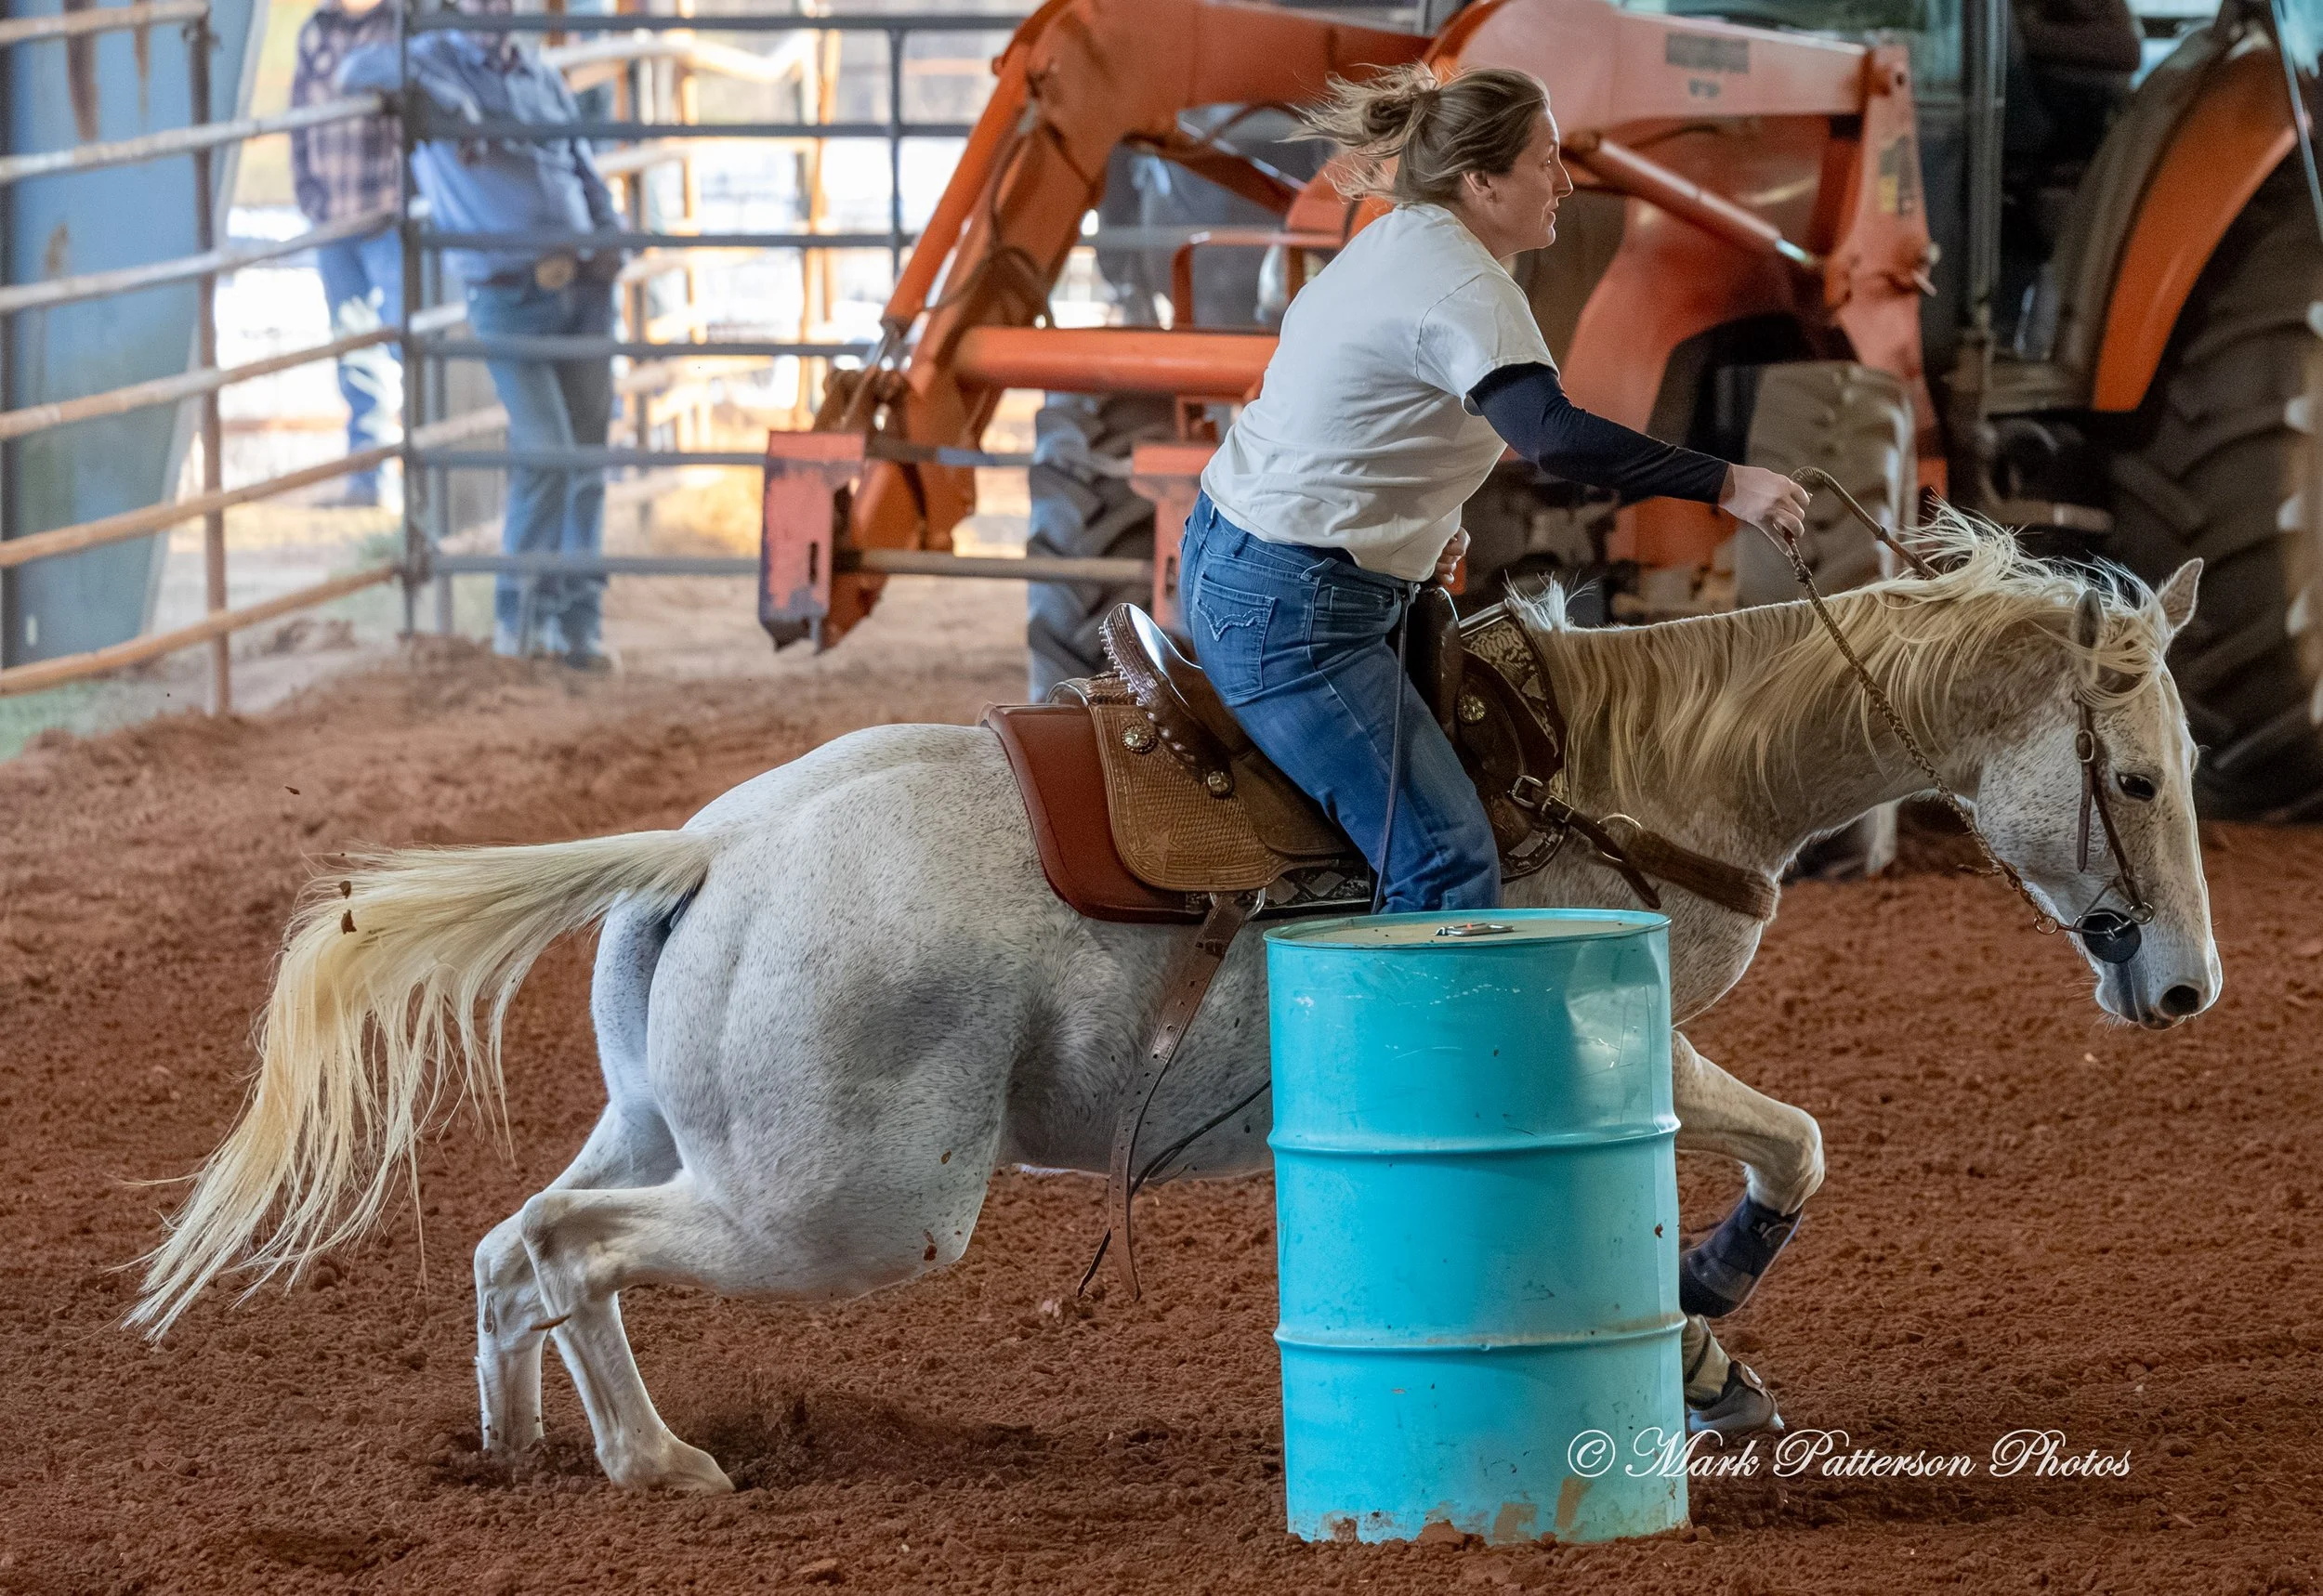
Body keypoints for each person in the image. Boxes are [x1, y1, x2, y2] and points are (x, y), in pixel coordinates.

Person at [1183, 63, 1811, 914]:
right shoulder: (1466, 284)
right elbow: (1552, 435)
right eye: (1545, 162)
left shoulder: (1398, 240)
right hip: (1298, 612)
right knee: (1447, 861)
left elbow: (1366, 415)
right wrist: (1728, 482)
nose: (1566, 184)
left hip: (1250, 560)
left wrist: (1421, 520)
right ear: (1481, 180)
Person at [341, 0, 624, 667]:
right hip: (509, 294)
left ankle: (575, 627)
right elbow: (358, 69)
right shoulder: (431, 62)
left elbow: (581, 161)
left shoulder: (538, 72)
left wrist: (611, 233)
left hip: (582, 286)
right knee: (548, 452)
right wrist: (447, 101)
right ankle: (519, 625)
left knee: (584, 460)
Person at [290, 0, 403, 510]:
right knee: (353, 346)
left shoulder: (399, 25)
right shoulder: (317, 31)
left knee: (406, 338)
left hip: (386, 215)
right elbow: (299, 116)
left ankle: (424, 467)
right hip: (334, 216)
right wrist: (309, 195)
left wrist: (402, 197)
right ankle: (368, 475)